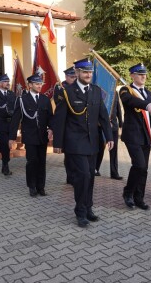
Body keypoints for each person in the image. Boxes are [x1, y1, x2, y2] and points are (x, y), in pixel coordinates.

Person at [53, 58, 113, 228]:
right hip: (75, 142)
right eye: (85, 72)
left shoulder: (95, 91)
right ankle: (80, 211)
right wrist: (58, 143)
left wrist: (109, 137)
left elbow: (103, 116)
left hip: (93, 142)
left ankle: (88, 208)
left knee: (91, 177)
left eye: (90, 72)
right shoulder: (67, 92)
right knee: (83, 176)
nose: (88, 75)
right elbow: (60, 119)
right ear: (77, 72)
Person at [119, 63, 151, 210]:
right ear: (132, 75)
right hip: (132, 135)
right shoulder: (126, 90)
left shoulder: (148, 93)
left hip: (145, 136)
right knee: (139, 165)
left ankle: (139, 198)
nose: (143, 76)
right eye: (139, 74)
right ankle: (128, 193)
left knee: (144, 169)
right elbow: (130, 101)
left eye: (144, 74)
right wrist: (146, 105)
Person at [9, 74, 53, 197]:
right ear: (29, 85)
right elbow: (15, 119)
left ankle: (41, 187)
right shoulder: (22, 99)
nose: (39, 86)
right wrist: (12, 138)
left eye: (40, 84)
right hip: (30, 136)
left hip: (42, 136)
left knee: (42, 162)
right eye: (37, 84)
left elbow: (50, 117)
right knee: (32, 162)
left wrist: (51, 129)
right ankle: (32, 186)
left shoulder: (45, 99)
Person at [53, 66, 78, 185]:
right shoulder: (60, 88)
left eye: (75, 77)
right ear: (66, 77)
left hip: (77, 124)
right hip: (66, 124)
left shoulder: (78, 87)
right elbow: (59, 103)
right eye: (72, 77)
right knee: (68, 154)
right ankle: (70, 176)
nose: (74, 79)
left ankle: (76, 175)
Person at [95, 91, 123, 180]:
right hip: (100, 125)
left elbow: (118, 108)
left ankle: (114, 172)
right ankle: (95, 169)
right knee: (100, 148)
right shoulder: (101, 90)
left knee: (114, 150)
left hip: (113, 125)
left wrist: (121, 123)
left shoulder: (115, 92)